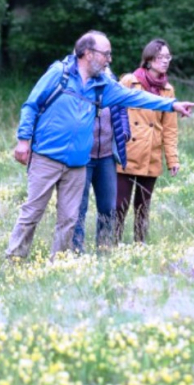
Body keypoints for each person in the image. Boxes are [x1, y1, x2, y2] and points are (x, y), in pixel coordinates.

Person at [6, 31, 194, 261]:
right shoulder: (59, 74)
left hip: (78, 163)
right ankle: (14, 259)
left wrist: (172, 105)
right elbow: (31, 105)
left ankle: (58, 265)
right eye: (106, 54)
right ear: (88, 54)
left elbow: (135, 97)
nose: (110, 59)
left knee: (69, 218)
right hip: (47, 157)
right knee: (32, 213)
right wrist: (23, 140)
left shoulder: (102, 85)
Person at [114, 38, 180, 244]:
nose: (165, 61)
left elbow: (169, 128)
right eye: (160, 57)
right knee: (119, 205)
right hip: (126, 154)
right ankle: (111, 244)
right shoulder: (129, 81)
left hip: (151, 154)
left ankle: (140, 245)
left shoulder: (168, 89)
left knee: (143, 206)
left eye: (168, 57)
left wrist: (172, 159)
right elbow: (113, 113)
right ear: (149, 59)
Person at [71, 64, 129, 254]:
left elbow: (122, 112)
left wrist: (125, 131)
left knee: (108, 208)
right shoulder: (77, 86)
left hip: (106, 157)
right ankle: (77, 251)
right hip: (83, 157)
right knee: (79, 207)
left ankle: (104, 251)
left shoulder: (112, 85)